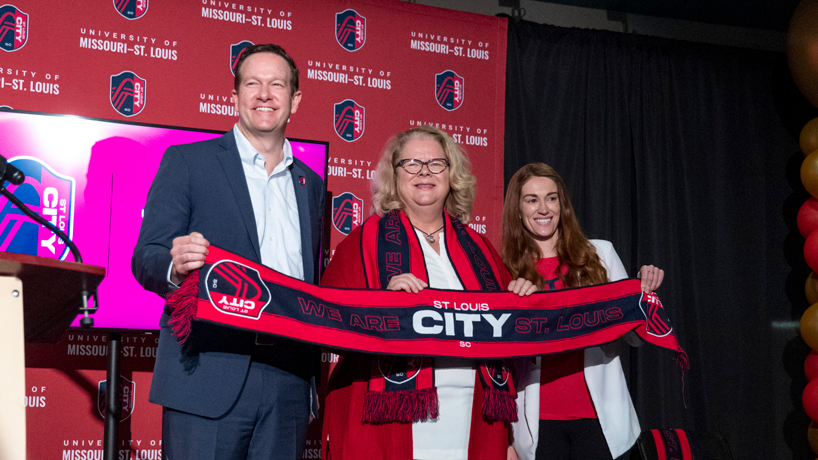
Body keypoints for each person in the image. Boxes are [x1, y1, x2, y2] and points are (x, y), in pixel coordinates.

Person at [131, 44, 324, 460]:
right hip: (206, 374)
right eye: (252, 83)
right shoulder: (188, 162)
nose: (264, 94)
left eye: (277, 84)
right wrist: (175, 266)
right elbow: (146, 255)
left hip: (288, 381)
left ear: (295, 99)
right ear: (235, 97)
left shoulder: (311, 185)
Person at [320, 125, 536, 460]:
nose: (424, 172)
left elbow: (507, 333)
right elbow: (327, 322)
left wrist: (520, 295)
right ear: (395, 174)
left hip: (473, 419)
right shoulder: (363, 242)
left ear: (452, 174)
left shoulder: (480, 248)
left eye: (436, 163)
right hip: (395, 424)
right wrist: (382, 301)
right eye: (412, 164)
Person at [503, 163, 664, 460]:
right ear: (518, 208)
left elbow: (634, 337)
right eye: (532, 199)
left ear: (562, 205)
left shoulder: (599, 253)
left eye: (552, 198)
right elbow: (500, 359)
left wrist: (640, 296)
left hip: (600, 419)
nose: (543, 208)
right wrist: (506, 439)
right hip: (536, 424)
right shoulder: (505, 270)